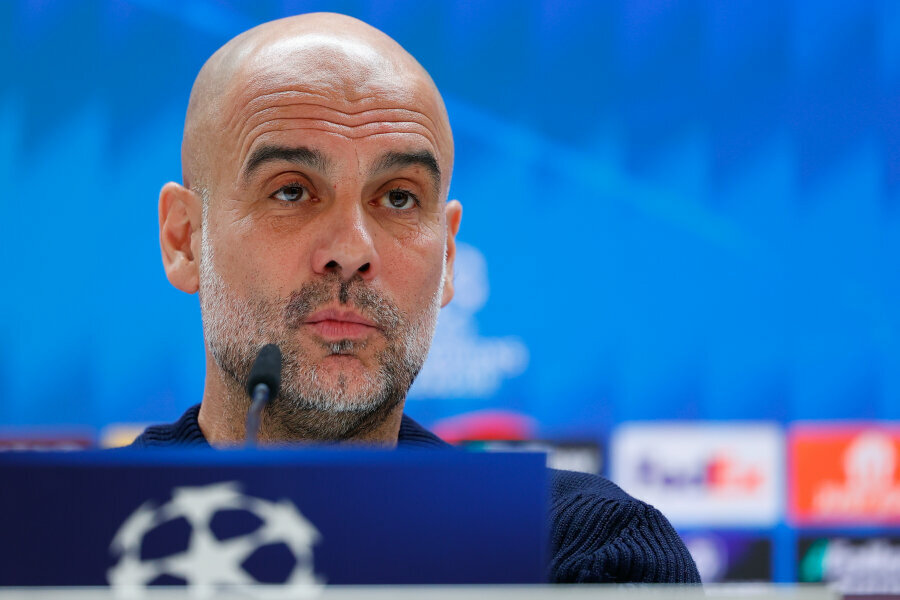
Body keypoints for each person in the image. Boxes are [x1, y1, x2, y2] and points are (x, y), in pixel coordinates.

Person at [132, 12, 701, 584]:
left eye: (399, 198)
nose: (351, 251)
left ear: (448, 257)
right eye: (292, 191)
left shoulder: (582, 550)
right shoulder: (79, 531)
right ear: (184, 239)